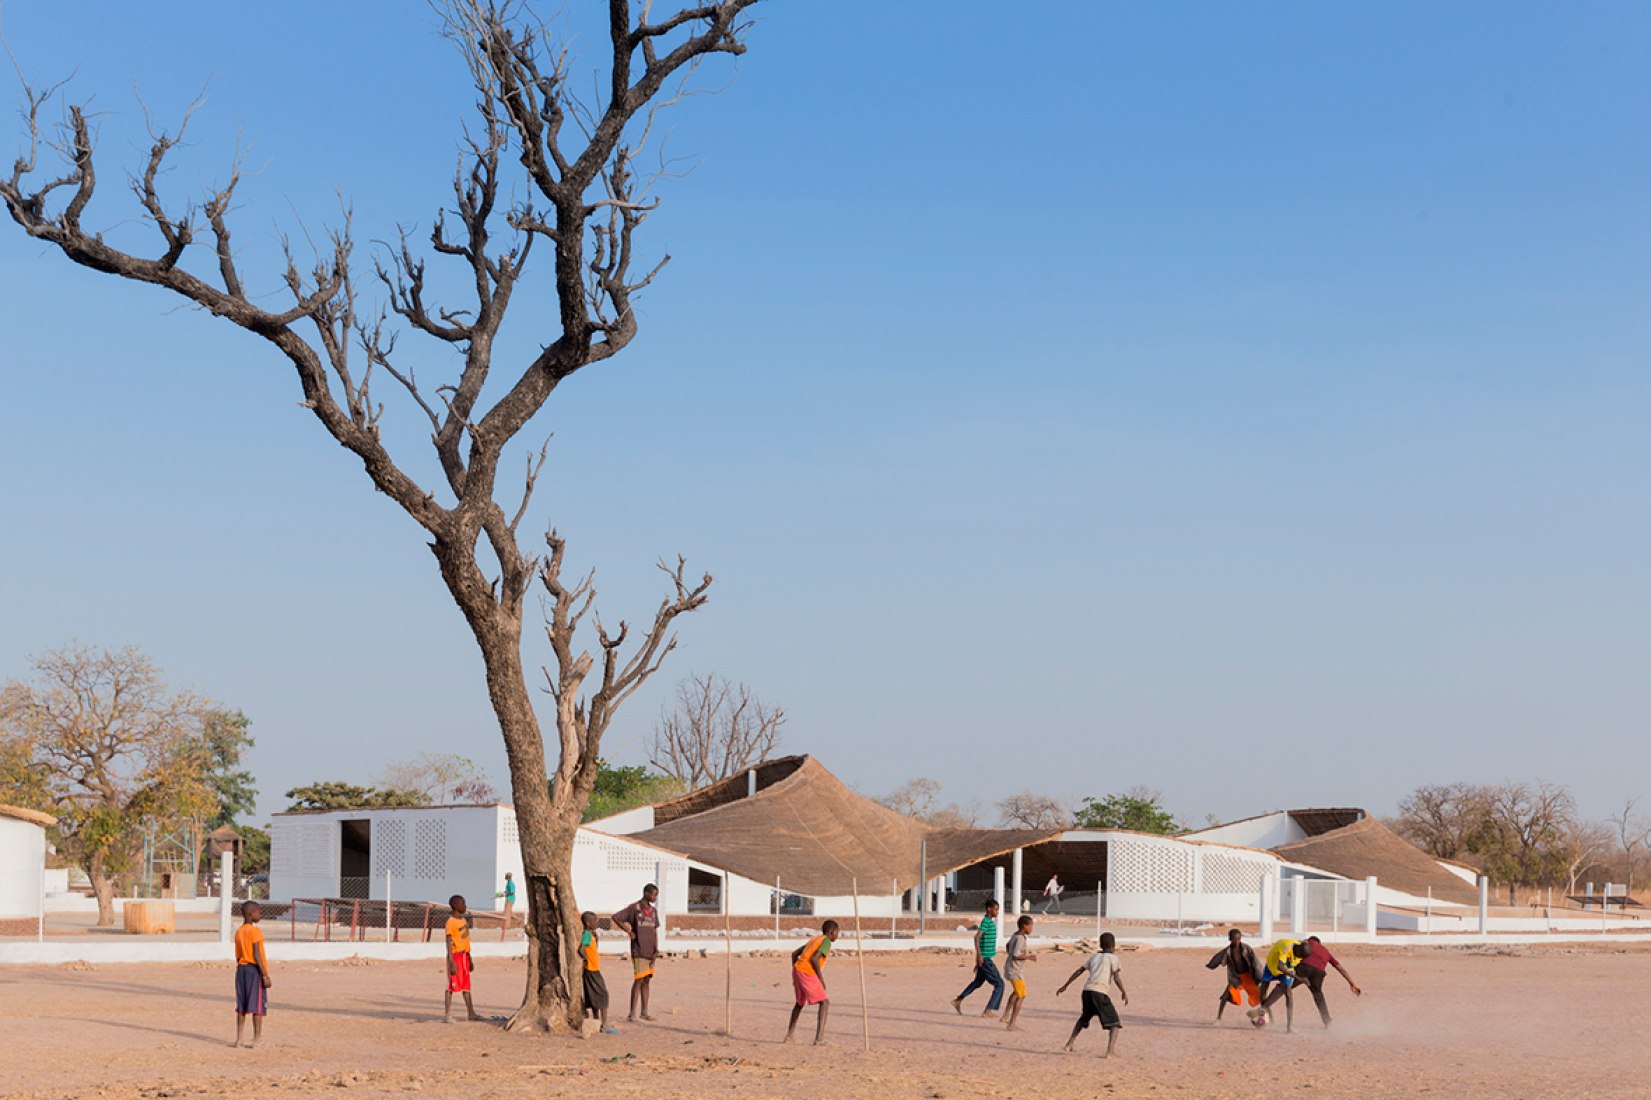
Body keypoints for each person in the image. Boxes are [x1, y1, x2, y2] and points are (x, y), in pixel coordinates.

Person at [1057, 931, 1128, 1057]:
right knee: (1115, 1023)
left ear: (1100, 945)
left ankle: (1069, 1044)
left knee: (1084, 1018)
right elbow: (1116, 977)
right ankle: (1110, 1051)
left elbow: (1079, 971)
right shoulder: (1114, 958)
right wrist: (1123, 991)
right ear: (1113, 945)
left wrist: (1065, 985)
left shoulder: (1094, 957)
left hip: (1087, 992)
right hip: (1100, 993)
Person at [1288, 935, 1362, 1028]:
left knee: (1284, 987)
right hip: (1318, 973)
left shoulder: (1308, 942)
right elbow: (1340, 968)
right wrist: (1352, 983)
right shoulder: (1326, 951)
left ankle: (1265, 1008)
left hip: (1304, 968)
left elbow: (1294, 946)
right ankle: (1327, 1022)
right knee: (1318, 995)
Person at [612, 884, 661, 1022]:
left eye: (656, 895)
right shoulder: (634, 908)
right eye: (653, 894)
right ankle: (632, 1013)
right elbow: (616, 917)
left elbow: (654, 931)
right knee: (638, 980)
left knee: (647, 980)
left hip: (650, 951)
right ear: (646, 893)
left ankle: (644, 1012)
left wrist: (656, 950)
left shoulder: (653, 911)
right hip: (638, 949)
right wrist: (629, 931)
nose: (655, 897)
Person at [784, 920, 838, 1045]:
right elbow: (815, 959)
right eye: (837, 933)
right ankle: (819, 1039)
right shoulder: (826, 941)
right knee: (824, 1002)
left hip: (798, 970)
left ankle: (789, 1036)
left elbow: (794, 954)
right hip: (807, 972)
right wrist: (821, 979)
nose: (837, 935)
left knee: (799, 1003)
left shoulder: (814, 939)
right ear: (832, 932)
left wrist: (795, 973)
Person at [950, 900, 1005, 1017]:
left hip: (984, 958)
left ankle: (958, 1000)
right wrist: (979, 956)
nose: (997, 912)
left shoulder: (989, 922)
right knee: (1000, 984)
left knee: (978, 982)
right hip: (985, 959)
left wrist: (977, 960)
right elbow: (977, 937)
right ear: (989, 909)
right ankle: (988, 1011)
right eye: (996, 909)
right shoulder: (986, 922)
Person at [232, 900, 271, 1048]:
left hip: (241, 969)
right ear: (250, 913)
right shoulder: (255, 931)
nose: (260, 914)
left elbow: (238, 955)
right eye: (258, 912)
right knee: (257, 1006)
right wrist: (265, 975)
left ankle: (239, 1039)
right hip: (254, 970)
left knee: (242, 1005)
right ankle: (256, 1039)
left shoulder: (239, 931)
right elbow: (257, 954)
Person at [1250, 938, 1308, 1032]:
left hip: (1287, 969)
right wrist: (1298, 978)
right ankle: (1267, 1016)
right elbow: (1280, 966)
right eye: (1300, 956)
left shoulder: (1300, 951)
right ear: (1297, 950)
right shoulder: (1286, 947)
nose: (1300, 958)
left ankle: (1289, 1026)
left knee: (1289, 994)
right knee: (1263, 990)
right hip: (1272, 966)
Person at [1206, 928, 1261, 1023]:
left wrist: (1259, 976)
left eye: (1238, 939)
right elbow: (1217, 958)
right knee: (1224, 997)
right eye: (1234, 939)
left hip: (1249, 977)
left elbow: (1255, 962)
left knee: (1262, 997)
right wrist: (1211, 964)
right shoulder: (1227, 951)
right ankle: (1218, 1019)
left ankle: (1270, 1019)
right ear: (1230, 939)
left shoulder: (1247, 949)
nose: (1237, 941)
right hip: (1237, 979)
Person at [579, 911, 619, 1034]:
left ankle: (597, 1022)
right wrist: (585, 960)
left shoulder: (592, 934)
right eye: (594, 920)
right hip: (591, 970)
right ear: (587, 923)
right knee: (603, 995)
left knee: (594, 996)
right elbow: (581, 950)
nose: (596, 922)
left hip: (594, 968)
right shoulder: (586, 935)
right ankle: (604, 1024)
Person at [444, 894, 480, 1022]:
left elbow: (466, 941)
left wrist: (470, 958)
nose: (465, 906)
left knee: (466, 986)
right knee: (451, 986)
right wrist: (451, 961)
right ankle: (447, 1014)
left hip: (464, 956)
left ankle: (471, 1013)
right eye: (463, 903)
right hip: (455, 956)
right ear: (455, 906)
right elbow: (448, 942)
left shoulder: (464, 921)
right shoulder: (450, 922)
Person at [1000, 914, 1037, 1030]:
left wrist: (1010, 955)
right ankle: (1012, 1023)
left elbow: (1007, 946)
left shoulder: (1016, 935)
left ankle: (1005, 1016)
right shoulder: (1020, 938)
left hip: (1013, 969)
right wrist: (1028, 957)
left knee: (1016, 993)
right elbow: (1016, 955)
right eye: (1031, 926)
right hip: (1014, 970)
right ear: (1024, 926)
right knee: (1021, 995)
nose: (1031, 929)